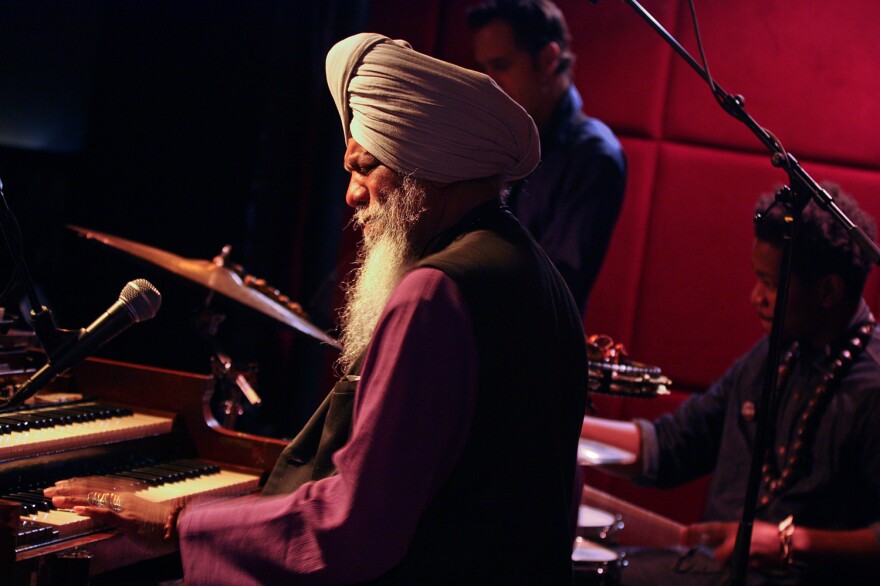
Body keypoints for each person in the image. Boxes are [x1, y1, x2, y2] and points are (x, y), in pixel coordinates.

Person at [47, 32, 589, 584]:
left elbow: (353, 527)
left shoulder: (435, 292)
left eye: (365, 166)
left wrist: (173, 522)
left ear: (425, 164)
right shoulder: (537, 274)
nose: (352, 193)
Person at [581, 185, 880, 585]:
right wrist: (566, 428)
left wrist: (790, 542)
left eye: (770, 284)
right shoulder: (773, 356)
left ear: (828, 291)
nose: (756, 297)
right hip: (712, 571)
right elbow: (669, 446)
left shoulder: (872, 387)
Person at [467, 0, 627, 315]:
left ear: (548, 59)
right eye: (485, 68)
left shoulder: (594, 155)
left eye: (501, 65)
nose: (490, 82)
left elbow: (551, 286)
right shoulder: (502, 136)